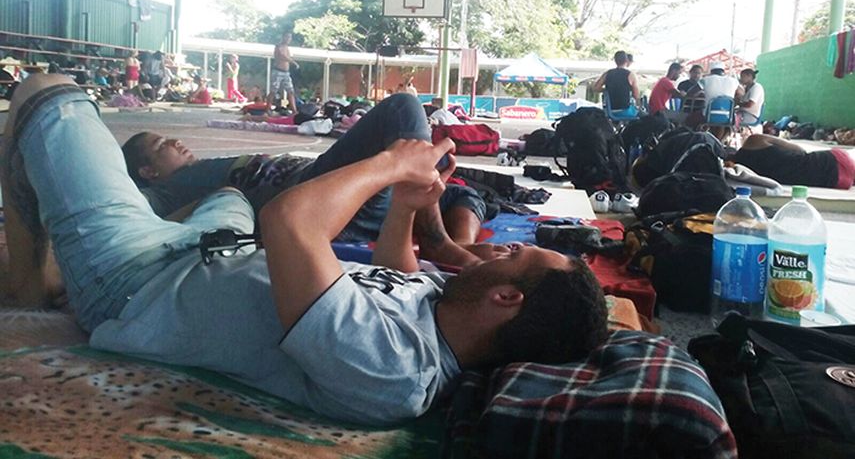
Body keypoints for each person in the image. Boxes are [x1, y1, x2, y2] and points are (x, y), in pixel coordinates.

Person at [0, 74, 609, 425]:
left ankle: (36, 280)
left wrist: (391, 161)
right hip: (212, 244)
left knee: (46, 97)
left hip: (135, 279)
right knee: (231, 190)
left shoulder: (394, 373)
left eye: (510, 259)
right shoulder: (444, 312)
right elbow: (399, 272)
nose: (495, 253)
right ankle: (98, 211)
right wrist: (402, 203)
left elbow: (289, 220)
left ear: (506, 297)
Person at [122, 93, 488, 261]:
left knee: (459, 192)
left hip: (345, 195)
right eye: (159, 145)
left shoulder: (199, 169)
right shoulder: (169, 189)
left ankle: (461, 246)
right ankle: (441, 245)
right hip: (314, 193)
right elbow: (118, 206)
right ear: (147, 172)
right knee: (402, 107)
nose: (173, 140)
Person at [731, 134, 855, 189]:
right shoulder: (754, 141)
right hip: (832, 161)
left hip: (837, 181)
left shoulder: (741, 176)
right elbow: (800, 150)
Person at [593, 50, 639, 118]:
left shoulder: (607, 73)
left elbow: (595, 88)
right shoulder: (631, 75)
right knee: (643, 115)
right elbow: (636, 95)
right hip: (625, 111)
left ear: (615, 61)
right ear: (626, 60)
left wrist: (606, 89)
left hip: (610, 111)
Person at [270, 31, 298, 114]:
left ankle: (294, 111)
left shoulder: (287, 48)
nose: (289, 39)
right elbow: (283, 56)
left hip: (286, 72)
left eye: (290, 37)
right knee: (273, 91)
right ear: (283, 37)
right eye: (287, 37)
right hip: (278, 71)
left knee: (290, 91)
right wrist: (293, 62)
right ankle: (267, 109)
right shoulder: (278, 46)